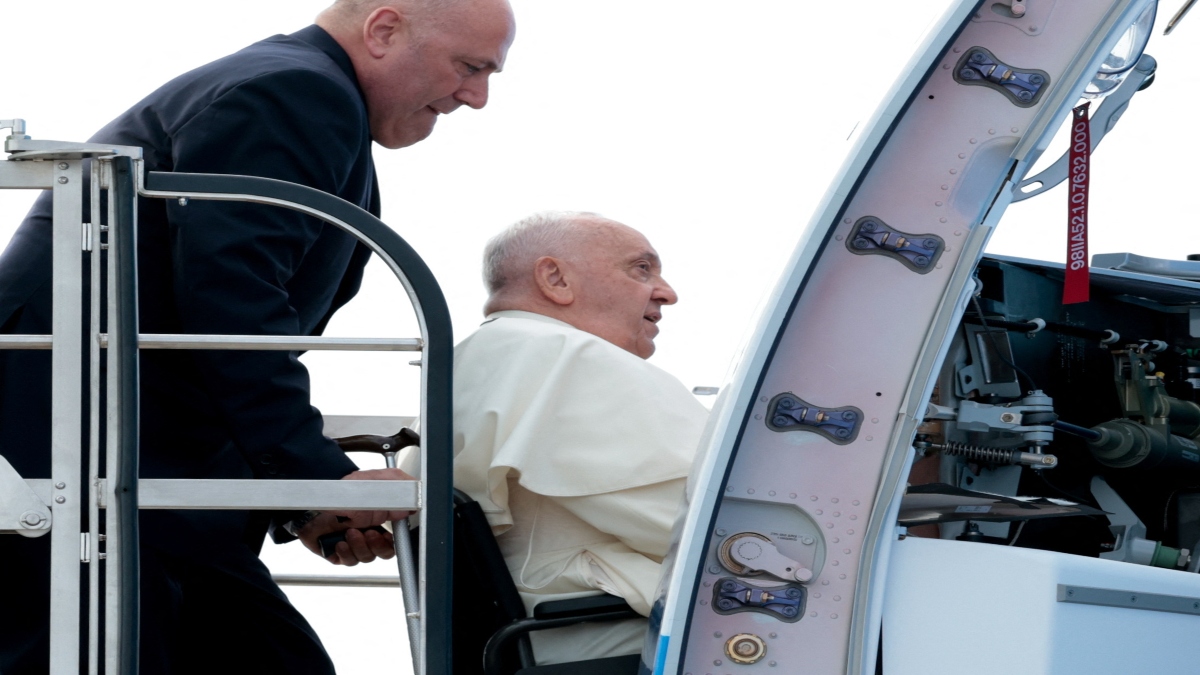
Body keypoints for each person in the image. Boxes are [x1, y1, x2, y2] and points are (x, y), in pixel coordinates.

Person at [0, 1, 514, 673]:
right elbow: (232, 305)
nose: (476, 97)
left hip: (137, 476)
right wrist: (321, 480)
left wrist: (305, 500)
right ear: (384, 30)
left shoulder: (303, 95)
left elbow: (214, 322)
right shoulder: (295, 94)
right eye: (470, 67)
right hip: (76, 475)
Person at [401, 211, 709, 663]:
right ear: (555, 279)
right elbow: (712, 529)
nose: (667, 292)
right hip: (610, 643)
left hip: (525, 645)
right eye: (641, 269)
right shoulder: (571, 359)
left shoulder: (468, 365)